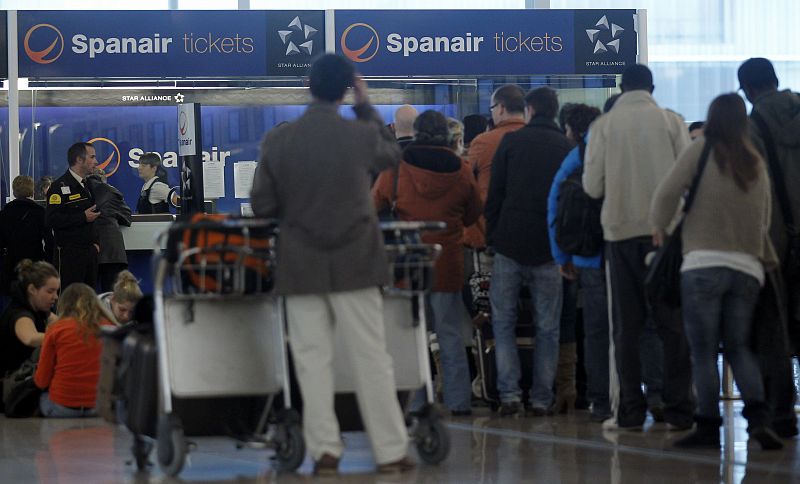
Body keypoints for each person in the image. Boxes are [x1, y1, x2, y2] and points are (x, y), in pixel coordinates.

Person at [250, 54, 413, 475]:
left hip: (301, 263)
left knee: (312, 359)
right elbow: (393, 154)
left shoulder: (280, 140)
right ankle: (391, 450)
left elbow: (263, 204)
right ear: (346, 88)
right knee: (372, 357)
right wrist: (365, 104)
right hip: (357, 259)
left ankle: (325, 449)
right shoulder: (358, 136)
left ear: (308, 84)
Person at [650, 93, 783, 450]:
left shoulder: (701, 150)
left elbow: (665, 194)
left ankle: (708, 426)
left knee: (704, 351)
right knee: (740, 348)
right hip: (748, 269)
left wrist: (660, 228)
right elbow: (766, 219)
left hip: (702, 266)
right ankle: (759, 421)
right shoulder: (755, 159)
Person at [583, 64, 694, 430]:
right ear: (653, 87)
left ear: (621, 87)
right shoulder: (671, 122)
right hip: (665, 237)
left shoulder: (604, 126)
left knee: (625, 328)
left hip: (620, 236)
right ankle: (680, 409)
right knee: (672, 325)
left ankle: (630, 410)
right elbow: (687, 178)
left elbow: (592, 187)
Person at [373, 110, 481, 416]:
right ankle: (459, 402)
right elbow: (474, 213)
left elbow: (374, 204)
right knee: (449, 333)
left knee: (412, 334)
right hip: (446, 260)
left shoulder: (395, 168)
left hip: (408, 263)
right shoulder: (460, 169)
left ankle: (417, 402)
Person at [485, 87, 573, 416]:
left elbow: (496, 195)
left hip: (510, 244)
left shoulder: (511, 142)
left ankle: (509, 395)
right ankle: (540, 398)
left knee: (503, 322)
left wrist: (492, 236)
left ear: (531, 110)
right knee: (548, 327)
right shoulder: (566, 147)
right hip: (550, 249)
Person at [738, 56, 800, 438]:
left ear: (748, 90)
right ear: (776, 80)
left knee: (773, 331)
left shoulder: (750, 126)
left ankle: (782, 415)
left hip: (773, 242)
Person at [546, 104, 610, 421]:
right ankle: (645, 394)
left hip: (584, 253)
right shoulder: (618, 149)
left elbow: (555, 204)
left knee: (588, 327)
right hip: (625, 249)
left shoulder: (574, 157)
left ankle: (594, 397)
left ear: (570, 129)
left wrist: (562, 255)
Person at [34, 283, 114, 418]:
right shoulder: (109, 329)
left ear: (64, 303)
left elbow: (41, 381)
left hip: (61, 408)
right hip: (100, 407)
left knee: (42, 398)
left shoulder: (56, 329)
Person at [463, 85, 527, 253]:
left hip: (490, 233)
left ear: (501, 108)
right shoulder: (542, 139)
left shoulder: (483, 142)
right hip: (533, 232)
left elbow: (465, 183)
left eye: (491, 108)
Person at [45, 142, 100, 291]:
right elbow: (52, 219)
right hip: (69, 255)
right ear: (79, 160)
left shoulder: (88, 185)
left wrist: (95, 245)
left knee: (88, 301)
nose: (96, 161)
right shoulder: (58, 187)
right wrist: (82, 217)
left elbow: (94, 215)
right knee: (69, 300)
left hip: (89, 253)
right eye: (92, 157)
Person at [0, 260, 59, 382]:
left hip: (25, 376)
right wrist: (65, 336)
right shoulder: (20, 314)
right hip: (12, 385)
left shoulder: (39, 307)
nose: (56, 297)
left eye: (56, 291)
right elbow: (30, 338)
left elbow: (60, 322)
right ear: (32, 289)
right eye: (50, 291)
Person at [0, 176, 53, 294]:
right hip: (35, 263)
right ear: (32, 190)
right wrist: (48, 262)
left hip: (11, 264)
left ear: (14, 191)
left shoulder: (4, 213)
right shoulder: (40, 212)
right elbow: (50, 242)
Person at [84, 169, 132, 293]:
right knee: (112, 294)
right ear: (103, 178)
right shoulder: (110, 190)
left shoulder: (79, 190)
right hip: (112, 249)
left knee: (87, 293)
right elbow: (127, 217)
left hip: (88, 248)